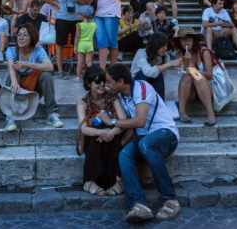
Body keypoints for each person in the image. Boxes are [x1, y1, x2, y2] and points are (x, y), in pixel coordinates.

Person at [101, 63, 181, 223]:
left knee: (146, 144)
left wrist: (112, 122)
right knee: (124, 154)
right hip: (143, 138)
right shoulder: (121, 96)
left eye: (109, 81)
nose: (107, 85)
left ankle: (171, 199)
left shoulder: (141, 88)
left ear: (121, 81)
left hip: (166, 134)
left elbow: (139, 121)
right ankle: (138, 204)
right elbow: (132, 127)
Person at [77, 65, 127, 196]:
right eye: (97, 82)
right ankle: (89, 181)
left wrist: (110, 132)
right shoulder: (83, 103)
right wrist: (101, 133)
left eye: (104, 81)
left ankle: (118, 180)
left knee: (113, 137)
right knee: (97, 133)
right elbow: (83, 128)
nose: (102, 85)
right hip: (95, 137)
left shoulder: (112, 98)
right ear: (88, 83)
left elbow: (123, 120)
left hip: (113, 135)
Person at [4, 23, 62, 130]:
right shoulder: (11, 50)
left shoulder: (38, 50)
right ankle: (10, 116)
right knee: (14, 74)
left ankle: (51, 113)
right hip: (16, 88)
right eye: (19, 34)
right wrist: (14, 81)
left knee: (46, 75)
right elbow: (10, 67)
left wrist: (27, 64)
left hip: (32, 90)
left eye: (25, 35)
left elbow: (50, 67)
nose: (20, 37)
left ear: (32, 37)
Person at [89, 0, 137, 70]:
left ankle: (113, 68)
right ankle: (102, 69)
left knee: (112, 41)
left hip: (111, 13)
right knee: (101, 42)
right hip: (99, 14)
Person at [45, 0, 89, 77]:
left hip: (76, 19)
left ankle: (79, 70)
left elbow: (83, 2)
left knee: (78, 45)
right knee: (60, 44)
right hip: (62, 19)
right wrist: (56, 4)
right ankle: (60, 71)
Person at [173, 28, 216, 125]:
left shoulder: (203, 51)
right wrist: (187, 63)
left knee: (196, 75)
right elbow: (181, 72)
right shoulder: (179, 54)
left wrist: (194, 70)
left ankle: (210, 113)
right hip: (191, 92)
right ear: (179, 41)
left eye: (188, 39)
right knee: (187, 74)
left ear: (193, 40)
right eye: (183, 40)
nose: (186, 42)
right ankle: (182, 111)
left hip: (206, 88)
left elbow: (209, 74)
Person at [130, 31, 181, 100]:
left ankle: (159, 102)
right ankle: (141, 100)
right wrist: (170, 64)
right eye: (163, 46)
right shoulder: (141, 53)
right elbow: (147, 72)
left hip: (153, 86)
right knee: (143, 73)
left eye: (166, 46)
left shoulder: (165, 57)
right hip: (137, 85)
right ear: (155, 45)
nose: (165, 48)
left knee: (158, 74)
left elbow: (163, 77)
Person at [74, 5, 96, 81]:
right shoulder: (93, 24)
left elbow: (77, 37)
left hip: (81, 44)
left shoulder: (79, 25)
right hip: (90, 44)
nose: (78, 15)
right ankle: (90, 77)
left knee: (80, 62)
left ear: (83, 15)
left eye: (79, 14)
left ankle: (77, 77)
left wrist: (75, 47)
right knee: (89, 62)